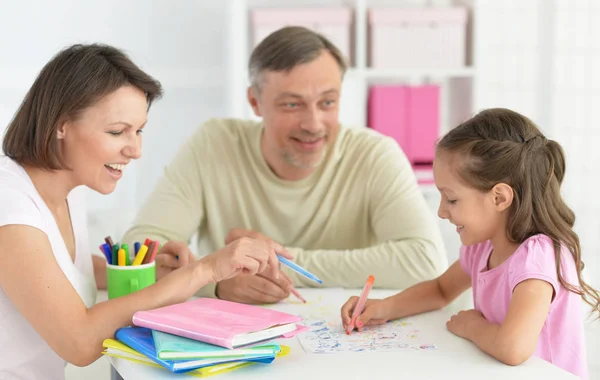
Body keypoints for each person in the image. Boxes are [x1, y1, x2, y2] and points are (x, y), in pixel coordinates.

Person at [0, 44, 292, 380]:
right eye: (117, 131)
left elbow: (52, 272)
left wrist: (147, 273)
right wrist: (203, 271)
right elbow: (79, 342)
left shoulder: (66, 188)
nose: (135, 150)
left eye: (139, 130)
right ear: (61, 124)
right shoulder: (9, 202)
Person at [121, 25, 448, 305]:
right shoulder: (213, 145)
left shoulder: (375, 155)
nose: (314, 123)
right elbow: (138, 252)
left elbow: (424, 261)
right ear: (255, 102)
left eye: (328, 102)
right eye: (293, 104)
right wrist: (216, 282)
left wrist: (270, 262)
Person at [341, 108, 599, 379]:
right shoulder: (483, 247)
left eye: (451, 199)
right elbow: (441, 290)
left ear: (499, 198)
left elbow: (513, 348)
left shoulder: (536, 257)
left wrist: (472, 326)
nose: (441, 211)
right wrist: (384, 307)